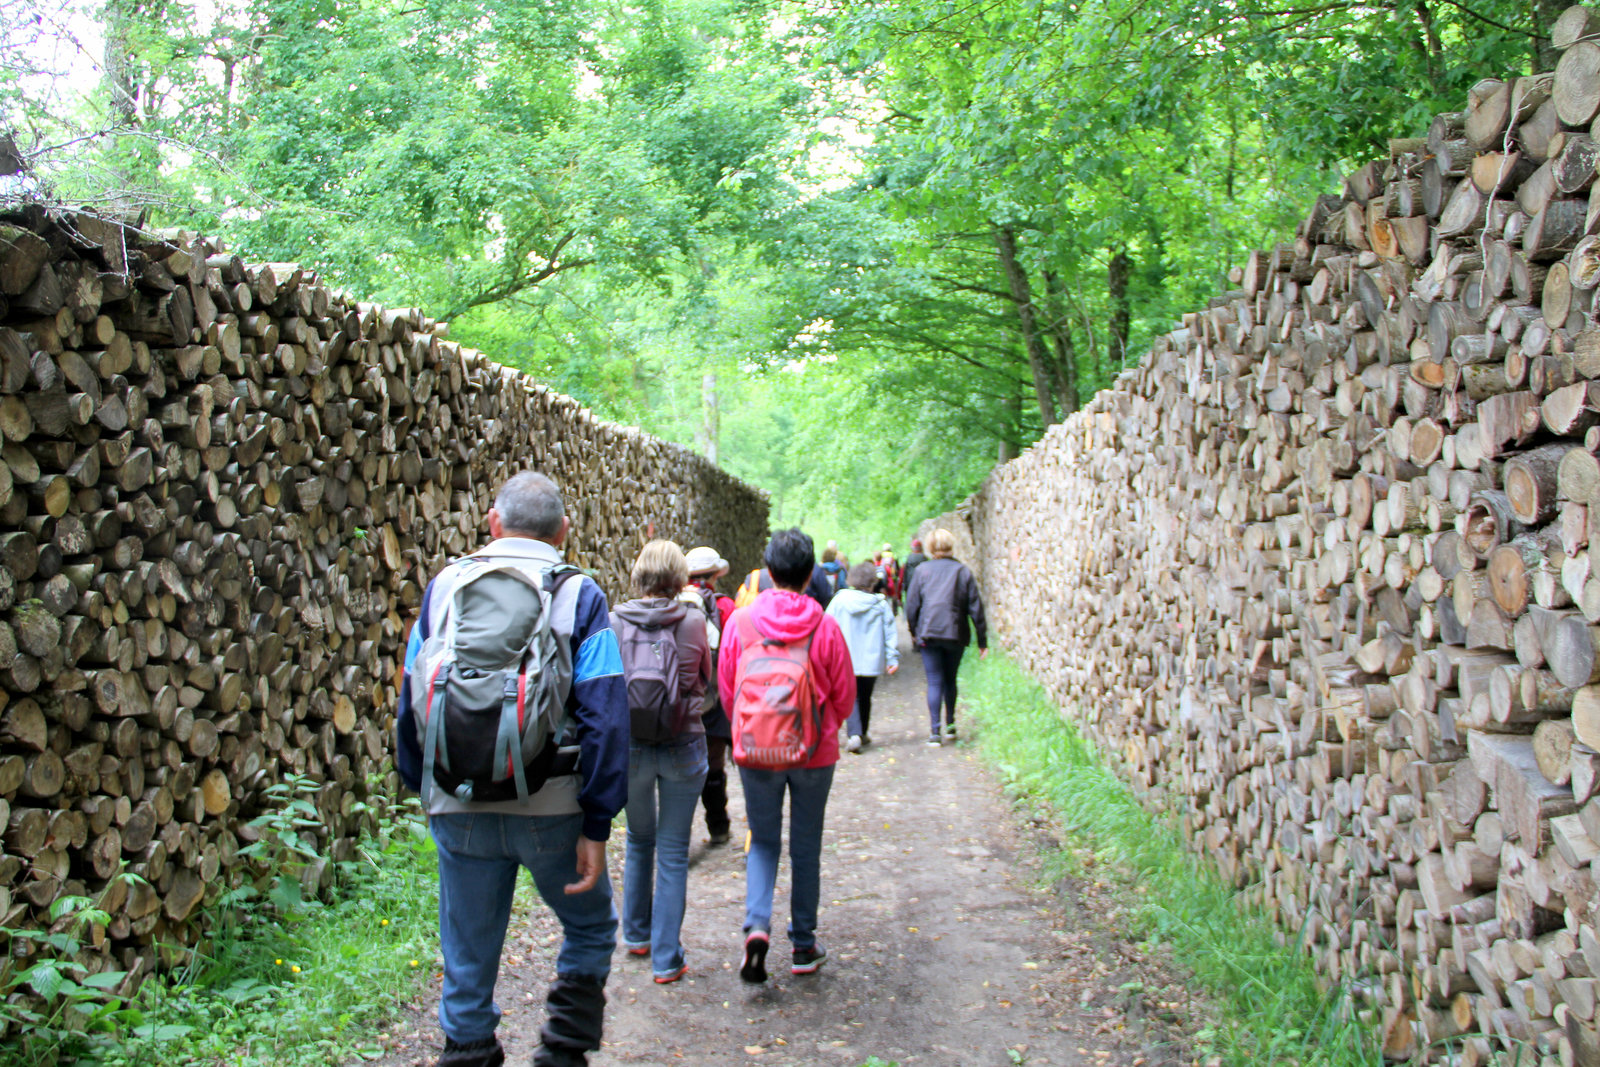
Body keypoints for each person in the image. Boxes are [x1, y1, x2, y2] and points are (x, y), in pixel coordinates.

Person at [396, 472, 627, 1067]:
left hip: (457, 802)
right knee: (592, 927)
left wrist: (426, 785)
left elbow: (412, 691)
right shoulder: (579, 593)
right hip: (552, 807)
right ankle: (561, 1054)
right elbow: (603, 712)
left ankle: (468, 1053)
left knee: (467, 954)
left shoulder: (446, 585)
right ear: (564, 534)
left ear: (493, 524)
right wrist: (597, 822)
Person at [718, 528, 854, 982]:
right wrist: (819, 732)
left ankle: (757, 926)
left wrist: (752, 731)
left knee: (763, 840)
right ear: (811, 572)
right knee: (806, 845)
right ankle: (803, 944)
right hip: (814, 755)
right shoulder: (825, 626)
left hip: (756, 752)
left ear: (769, 572)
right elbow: (843, 697)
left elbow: (728, 691)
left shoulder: (741, 623)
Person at [611, 540, 712, 984]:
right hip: (682, 744)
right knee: (672, 851)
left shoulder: (613, 621)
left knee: (638, 838)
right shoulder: (693, 621)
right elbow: (705, 683)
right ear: (679, 578)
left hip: (629, 747)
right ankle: (667, 959)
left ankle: (635, 935)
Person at [903, 527, 987, 748]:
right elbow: (976, 608)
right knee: (950, 679)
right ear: (951, 546)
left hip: (929, 633)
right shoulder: (962, 571)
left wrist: (914, 632)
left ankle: (934, 733)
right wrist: (982, 640)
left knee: (934, 681)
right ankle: (950, 726)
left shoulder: (922, 571)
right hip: (955, 633)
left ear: (930, 547)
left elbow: (912, 606)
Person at [684, 546, 736, 844]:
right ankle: (719, 826)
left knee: (683, 764)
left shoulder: (669, 604)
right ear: (716, 575)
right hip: (715, 699)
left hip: (679, 702)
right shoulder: (725, 606)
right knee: (714, 763)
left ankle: (679, 833)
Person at [825, 560, 899, 752]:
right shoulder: (880, 604)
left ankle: (854, 734)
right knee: (865, 696)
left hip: (846, 658)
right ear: (872, 582)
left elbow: (826, 626)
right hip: (871, 660)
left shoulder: (839, 600)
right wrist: (892, 658)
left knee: (852, 696)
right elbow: (890, 632)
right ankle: (862, 733)